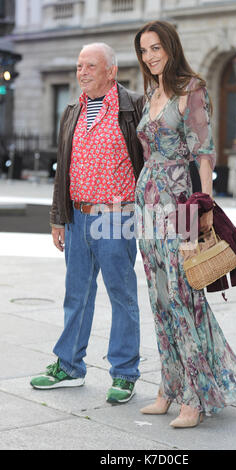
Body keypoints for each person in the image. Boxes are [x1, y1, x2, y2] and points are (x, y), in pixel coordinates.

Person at [134, 21, 236, 428]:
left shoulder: (192, 89)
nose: (150, 56)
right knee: (159, 297)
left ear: (170, 47)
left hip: (180, 203)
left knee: (185, 297)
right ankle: (169, 387)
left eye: (156, 48)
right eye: (144, 50)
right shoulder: (151, 93)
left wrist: (204, 203)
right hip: (146, 206)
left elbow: (204, 151)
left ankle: (196, 393)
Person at [30, 43, 144, 404]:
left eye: (90, 66)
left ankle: (124, 373)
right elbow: (63, 169)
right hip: (77, 216)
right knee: (76, 295)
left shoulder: (133, 108)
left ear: (111, 71)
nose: (82, 72)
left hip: (115, 217)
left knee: (122, 296)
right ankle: (69, 366)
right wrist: (58, 219)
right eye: (80, 66)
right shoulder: (72, 109)